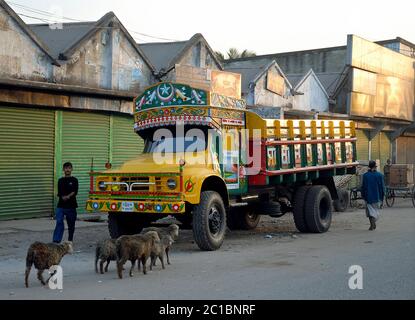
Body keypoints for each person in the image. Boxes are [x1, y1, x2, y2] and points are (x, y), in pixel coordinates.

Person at [53, 162, 79, 243]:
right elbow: (60, 192)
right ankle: (56, 241)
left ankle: (70, 240)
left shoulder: (74, 180)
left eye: (69, 168)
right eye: (66, 168)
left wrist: (68, 196)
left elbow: (75, 191)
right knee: (59, 222)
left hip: (71, 206)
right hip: (61, 206)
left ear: (72, 169)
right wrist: (63, 197)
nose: (67, 169)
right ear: (63, 169)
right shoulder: (60, 180)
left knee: (71, 225)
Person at [361, 160, 385, 231]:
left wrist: (363, 196)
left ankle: (372, 224)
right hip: (377, 197)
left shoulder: (365, 176)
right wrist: (382, 197)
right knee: (375, 211)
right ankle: (373, 223)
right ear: (375, 167)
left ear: (369, 167)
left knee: (370, 212)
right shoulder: (380, 175)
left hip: (369, 197)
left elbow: (363, 187)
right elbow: (382, 187)